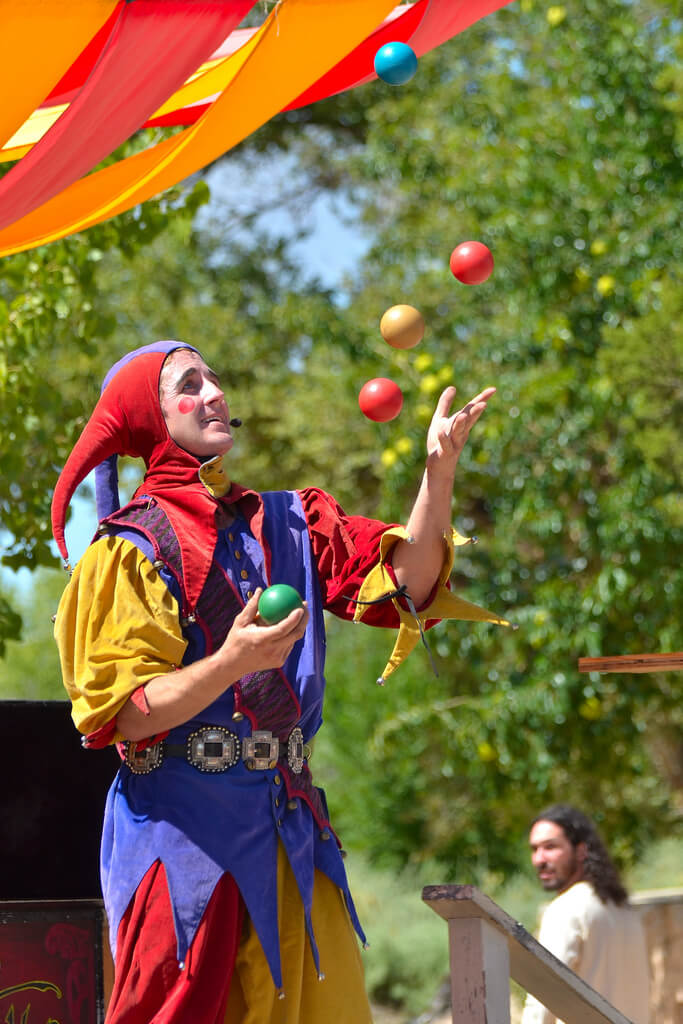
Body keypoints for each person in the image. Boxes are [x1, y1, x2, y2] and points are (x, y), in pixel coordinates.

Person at [51, 339, 507, 1024]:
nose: (213, 392)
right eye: (188, 384)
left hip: (290, 830)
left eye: (214, 377)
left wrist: (437, 474)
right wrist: (232, 662)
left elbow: (406, 584)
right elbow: (128, 713)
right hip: (183, 845)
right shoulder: (127, 550)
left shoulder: (290, 522)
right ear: (150, 416)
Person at [521, 804, 650, 1024]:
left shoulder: (566, 908)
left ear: (581, 850)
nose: (539, 859)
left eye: (550, 847)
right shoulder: (623, 908)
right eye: (535, 849)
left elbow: (544, 996)